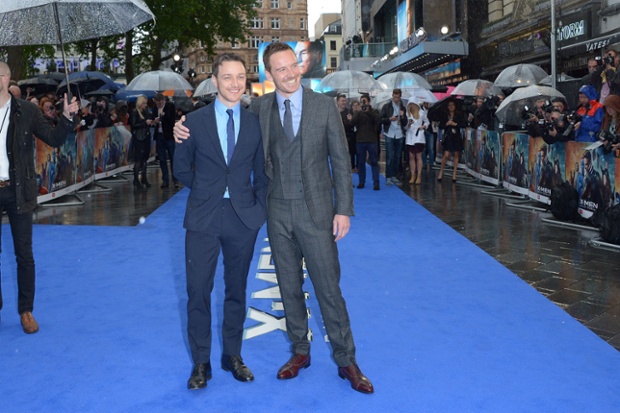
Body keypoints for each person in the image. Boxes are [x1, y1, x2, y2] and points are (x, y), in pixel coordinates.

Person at [174, 42, 374, 394]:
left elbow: (342, 162)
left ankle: (347, 360)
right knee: (288, 288)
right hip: (276, 212)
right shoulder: (261, 109)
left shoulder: (324, 106)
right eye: (280, 69)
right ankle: (300, 351)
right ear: (270, 75)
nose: (289, 73)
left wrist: (343, 208)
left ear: (299, 66)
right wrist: (180, 129)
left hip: (316, 212)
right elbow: (220, 138)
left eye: (292, 66)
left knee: (328, 287)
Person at [173, 53, 268, 391]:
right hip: (203, 215)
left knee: (236, 289)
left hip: (243, 219)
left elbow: (262, 173)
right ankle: (201, 362)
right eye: (227, 77)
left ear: (246, 80)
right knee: (198, 289)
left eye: (240, 76)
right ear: (214, 81)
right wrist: (207, 190)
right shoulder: (192, 122)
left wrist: (259, 212)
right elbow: (180, 168)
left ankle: (233, 355)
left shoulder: (255, 122)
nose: (234, 83)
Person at [0, 61, 79, 333]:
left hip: (18, 190)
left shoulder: (27, 111)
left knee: (24, 254)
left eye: (0, 74)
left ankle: (26, 311)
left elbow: (54, 139)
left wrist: (68, 118)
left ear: (9, 78)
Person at [351, 94, 381, 190]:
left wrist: (367, 111)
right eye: (362, 101)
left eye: (365, 101)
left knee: (374, 162)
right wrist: (359, 112)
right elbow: (353, 122)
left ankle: (376, 182)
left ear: (369, 102)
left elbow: (376, 120)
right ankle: (361, 182)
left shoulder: (374, 111)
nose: (363, 103)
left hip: (372, 140)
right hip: (360, 140)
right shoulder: (358, 112)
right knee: (361, 162)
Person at [380, 88, 408, 185]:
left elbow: (405, 122)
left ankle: (394, 176)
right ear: (392, 96)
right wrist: (389, 119)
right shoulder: (387, 106)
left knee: (397, 156)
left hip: (399, 134)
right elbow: (381, 119)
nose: (396, 99)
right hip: (389, 133)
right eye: (395, 97)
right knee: (389, 157)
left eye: (398, 97)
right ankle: (388, 176)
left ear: (400, 97)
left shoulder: (402, 108)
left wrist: (403, 116)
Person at [152, 93, 178, 188]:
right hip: (159, 135)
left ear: (163, 101)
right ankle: (165, 180)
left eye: (160, 102)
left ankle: (175, 179)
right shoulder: (155, 108)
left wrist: (164, 116)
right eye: (157, 102)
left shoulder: (170, 106)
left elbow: (172, 120)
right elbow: (152, 118)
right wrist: (154, 120)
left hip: (169, 136)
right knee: (162, 159)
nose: (158, 104)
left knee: (172, 158)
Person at [437, 99, 466, 182]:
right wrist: (447, 124)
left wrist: (455, 124)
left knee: (456, 154)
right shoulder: (444, 115)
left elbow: (463, 124)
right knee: (446, 154)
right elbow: (441, 125)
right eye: (449, 105)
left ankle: (454, 174)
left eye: (452, 105)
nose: (451, 107)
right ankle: (441, 171)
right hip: (448, 136)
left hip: (456, 136)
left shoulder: (459, 114)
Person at [130, 95, 153, 190]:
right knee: (138, 159)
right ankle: (136, 179)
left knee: (144, 159)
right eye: (144, 103)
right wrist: (145, 123)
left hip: (146, 136)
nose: (145, 105)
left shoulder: (145, 111)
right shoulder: (135, 112)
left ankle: (144, 178)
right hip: (139, 138)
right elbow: (134, 125)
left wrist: (151, 122)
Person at [405, 101, 427, 185]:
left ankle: (419, 175)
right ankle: (412, 174)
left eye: (412, 104)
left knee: (418, 156)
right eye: (409, 104)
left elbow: (427, 122)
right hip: (410, 136)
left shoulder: (421, 113)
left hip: (418, 136)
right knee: (411, 156)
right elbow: (405, 126)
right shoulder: (407, 114)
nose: (411, 106)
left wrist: (423, 126)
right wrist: (408, 124)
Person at [337, 94, 357, 172]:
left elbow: (352, 125)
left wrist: (350, 120)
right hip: (337, 139)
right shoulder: (333, 112)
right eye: (342, 101)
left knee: (348, 156)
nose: (344, 102)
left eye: (345, 101)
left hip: (348, 138)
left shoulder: (349, 112)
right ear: (337, 102)